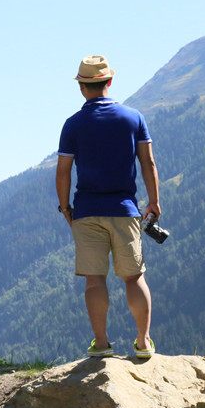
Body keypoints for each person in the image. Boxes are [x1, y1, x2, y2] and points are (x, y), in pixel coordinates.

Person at [55, 55, 162, 359]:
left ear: (81, 87)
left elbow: (63, 172)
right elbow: (148, 162)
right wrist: (153, 201)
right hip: (125, 209)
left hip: (86, 210)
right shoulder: (132, 118)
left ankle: (101, 345)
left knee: (94, 279)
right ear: (110, 82)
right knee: (134, 277)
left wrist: (65, 208)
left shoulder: (73, 124)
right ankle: (143, 343)